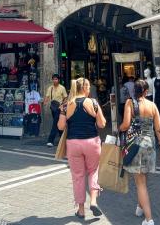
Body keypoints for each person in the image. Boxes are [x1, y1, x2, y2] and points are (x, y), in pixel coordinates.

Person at [119, 79, 160, 225]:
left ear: (134, 90)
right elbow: (159, 130)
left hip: (135, 146)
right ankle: (140, 207)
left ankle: (149, 219)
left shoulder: (130, 103)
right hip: (150, 145)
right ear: (146, 92)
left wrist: (120, 128)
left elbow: (126, 124)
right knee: (144, 179)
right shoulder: (152, 105)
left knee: (140, 183)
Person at [58, 77, 106, 219]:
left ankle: (81, 210)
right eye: (89, 86)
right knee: (93, 171)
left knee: (78, 176)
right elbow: (102, 124)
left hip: (73, 143)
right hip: (92, 142)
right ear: (84, 88)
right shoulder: (93, 102)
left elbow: (60, 126)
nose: (90, 88)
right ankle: (93, 201)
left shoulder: (66, 104)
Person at [44, 74, 67, 147]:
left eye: (56, 79)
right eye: (53, 79)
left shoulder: (62, 88)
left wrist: (62, 105)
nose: (55, 80)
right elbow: (47, 96)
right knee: (58, 123)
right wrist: (45, 102)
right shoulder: (50, 88)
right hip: (53, 108)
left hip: (59, 108)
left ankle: (50, 140)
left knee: (55, 123)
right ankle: (63, 139)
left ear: (58, 80)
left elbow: (65, 98)